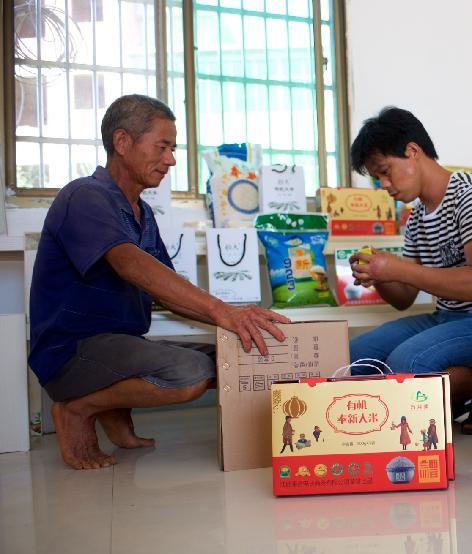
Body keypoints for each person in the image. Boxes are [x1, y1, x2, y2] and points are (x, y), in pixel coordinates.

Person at [29, 94, 290, 470]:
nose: (170, 159)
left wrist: (234, 321)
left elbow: (164, 292)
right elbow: (130, 265)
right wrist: (223, 311)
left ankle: (111, 406)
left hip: (119, 347)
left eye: (173, 149)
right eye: (162, 147)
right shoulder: (84, 196)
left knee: (236, 357)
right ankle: (77, 408)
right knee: (189, 374)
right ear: (122, 143)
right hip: (71, 351)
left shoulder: (141, 212)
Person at [348, 107, 472, 434]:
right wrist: (381, 276)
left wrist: (396, 267)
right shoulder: (417, 218)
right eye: (378, 178)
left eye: (386, 171)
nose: (385, 185)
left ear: (412, 151)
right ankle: (453, 395)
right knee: (354, 356)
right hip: (449, 318)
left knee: (407, 363)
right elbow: (404, 298)